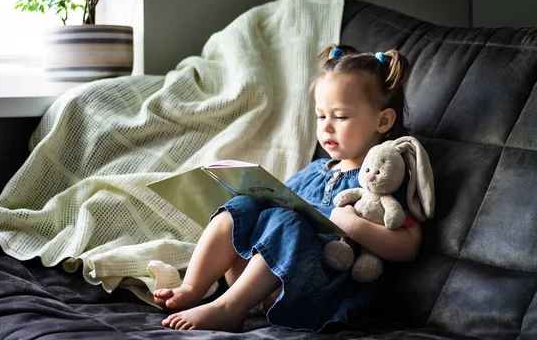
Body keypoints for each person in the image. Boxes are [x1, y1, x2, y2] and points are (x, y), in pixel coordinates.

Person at [153, 44, 423, 332]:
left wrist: (354, 225)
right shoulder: (314, 172)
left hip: (320, 294)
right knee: (244, 205)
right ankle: (193, 288)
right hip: (263, 283)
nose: (327, 128)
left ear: (382, 120)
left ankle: (228, 308)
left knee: (287, 221)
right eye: (321, 116)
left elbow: (410, 244)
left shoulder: (380, 180)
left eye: (340, 117)